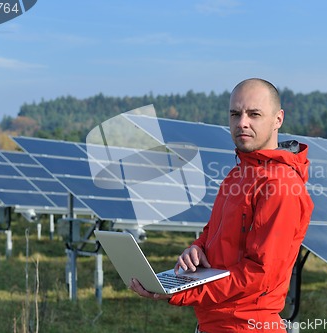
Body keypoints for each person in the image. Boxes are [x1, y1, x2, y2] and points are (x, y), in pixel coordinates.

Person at [130, 78, 314, 333]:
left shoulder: (280, 185)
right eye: (235, 114)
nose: (242, 123)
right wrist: (196, 249)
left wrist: (182, 292)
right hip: (215, 323)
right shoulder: (238, 174)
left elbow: (259, 274)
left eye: (254, 114)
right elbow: (213, 232)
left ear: (278, 119)